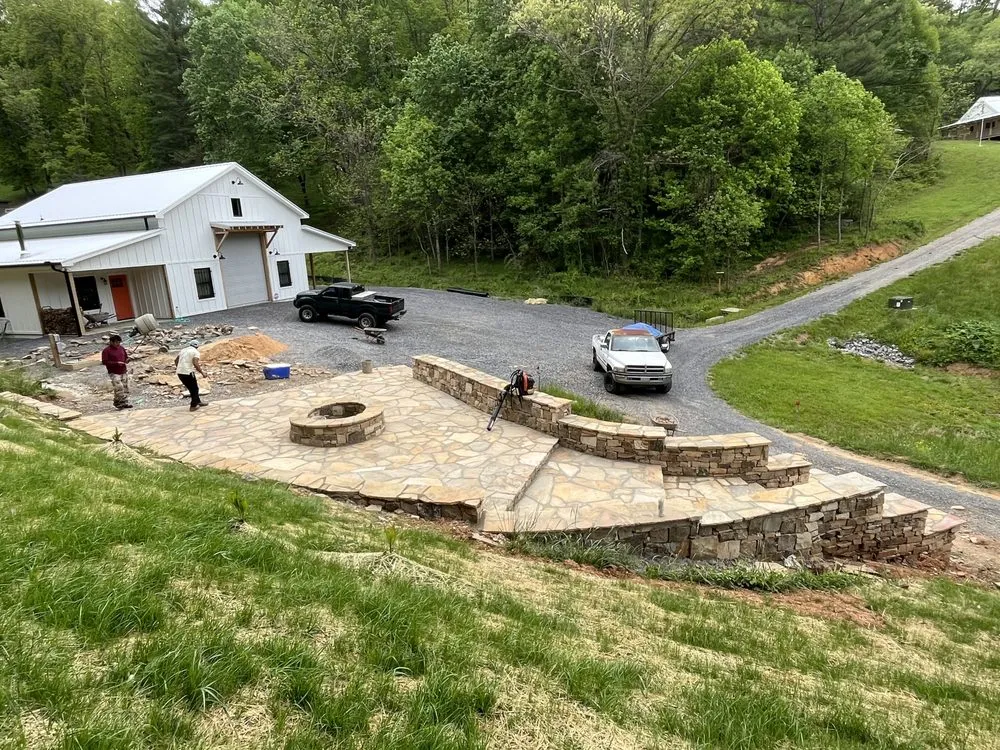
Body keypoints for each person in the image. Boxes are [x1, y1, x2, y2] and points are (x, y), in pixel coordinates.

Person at [100, 334, 133, 409]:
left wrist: (127, 360)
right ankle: (119, 402)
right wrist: (117, 363)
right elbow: (105, 362)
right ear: (111, 342)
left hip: (123, 370)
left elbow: (125, 357)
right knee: (119, 387)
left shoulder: (121, 348)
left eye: (119, 342)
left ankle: (124, 402)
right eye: (116, 342)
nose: (118, 344)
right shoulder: (106, 351)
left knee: (125, 387)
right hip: (114, 372)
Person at [175, 340, 208, 411]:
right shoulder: (195, 352)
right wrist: (202, 372)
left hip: (180, 372)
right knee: (194, 389)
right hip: (188, 372)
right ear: (197, 346)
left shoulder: (183, 350)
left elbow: (176, 360)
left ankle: (198, 401)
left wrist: (180, 368)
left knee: (192, 388)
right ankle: (193, 406)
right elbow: (195, 363)